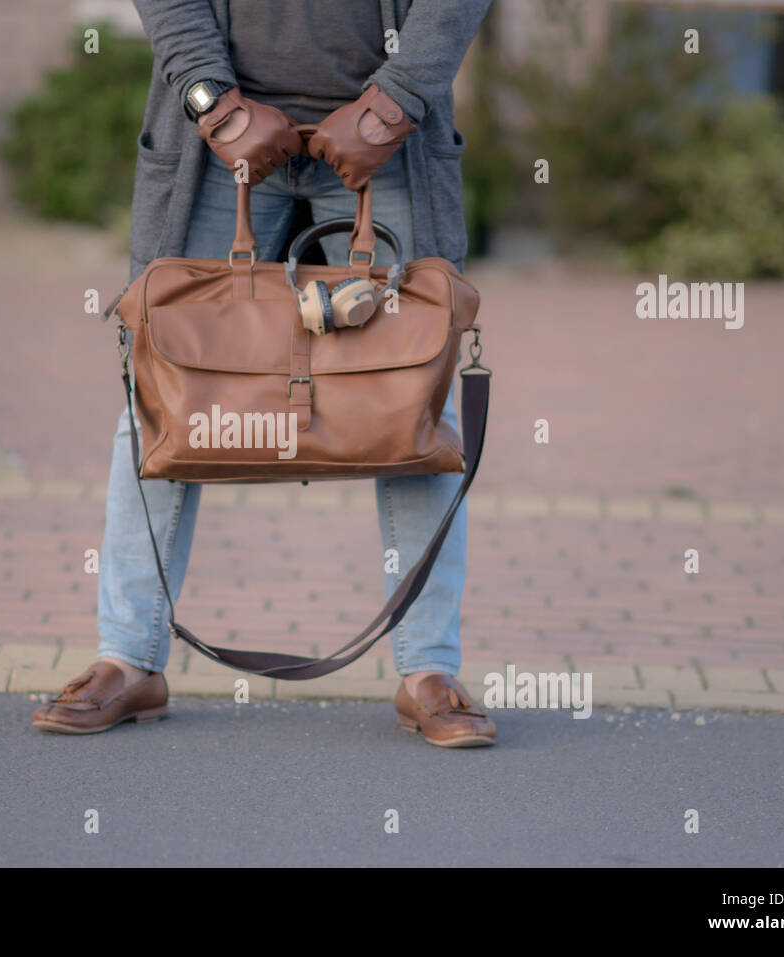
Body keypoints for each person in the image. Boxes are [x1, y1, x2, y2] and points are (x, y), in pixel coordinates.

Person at [33, 0, 496, 747]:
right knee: (161, 394)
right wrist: (213, 105)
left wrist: (393, 104)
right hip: (217, 144)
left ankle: (429, 672)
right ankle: (128, 658)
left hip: (391, 143)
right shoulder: (215, 119)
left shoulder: (392, 118)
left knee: (414, 401)